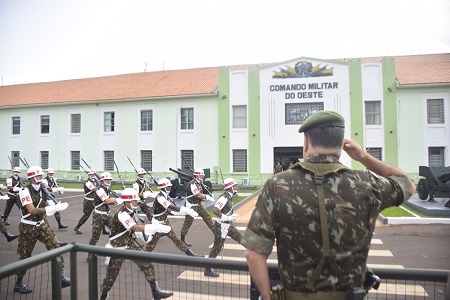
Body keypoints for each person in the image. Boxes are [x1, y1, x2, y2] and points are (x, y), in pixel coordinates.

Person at [242, 110, 416, 300]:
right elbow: (406, 183)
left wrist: (267, 298)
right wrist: (364, 157)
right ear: (341, 145)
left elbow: (253, 253)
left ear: (306, 141)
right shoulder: (366, 185)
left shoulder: (278, 185)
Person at [99, 188, 173, 300]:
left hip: (129, 245)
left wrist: (145, 236)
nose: (137, 202)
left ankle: (156, 292)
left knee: (147, 263)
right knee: (111, 277)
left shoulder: (131, 212)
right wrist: (156, 228)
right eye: (135, 201)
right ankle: (104, 296)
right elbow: (134, 227)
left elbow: (134, 229)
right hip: (117, 248)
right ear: (127, 202)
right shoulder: (122, 214)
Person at [14, 166, 71, 294]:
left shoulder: (42, 189)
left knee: (55, 246)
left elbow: (47, 199)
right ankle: (18, 283)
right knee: (25, 257)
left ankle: (61, 276)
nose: (41, 178)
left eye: (41, 176)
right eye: (38, 176)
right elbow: (32, 211)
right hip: (28, 227)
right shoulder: (24, 191)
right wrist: (51, 209)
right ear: (32, 177)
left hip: (41, 225)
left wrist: (54, 203)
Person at [144, 178, 201, 257]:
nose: (170, 188)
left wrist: (175, 213)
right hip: (158, 224)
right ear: (164, 188)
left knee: (176, 239)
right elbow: (172, 207)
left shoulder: (165, 196)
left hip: (165, 222)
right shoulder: (160, 198)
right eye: (169, 187)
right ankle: (142, 257)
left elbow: (166, 210)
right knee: (152, 244)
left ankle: (191, 255)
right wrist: (187, 210)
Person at [204, 178, 242, 277]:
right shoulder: (224, 197)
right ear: (230, 188)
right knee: (217, 247)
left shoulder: (229, 196)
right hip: (221, 226)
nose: (236, 187)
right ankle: (208, 269)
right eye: (234, 186)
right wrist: (227, 217)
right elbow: (215, 210)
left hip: (227, 225)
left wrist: (230, 218)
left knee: (242, 240)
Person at [180, 168, 215, 246]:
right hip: (191, 205)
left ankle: (216, 233)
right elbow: (198, 195)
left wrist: (208, 195)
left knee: (207, 217)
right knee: (188, 222)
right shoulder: (193, 184)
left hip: (198, 204)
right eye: (201, 175)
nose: (203, 176)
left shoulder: (199, 183)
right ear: (197, 175)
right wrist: (207, 197)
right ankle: (182, 239)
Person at [89, 172, 121, 247]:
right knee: (95, 237)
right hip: (99, 216)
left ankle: (116, 246)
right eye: (106, 180)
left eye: (109, 180)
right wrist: (118, 200)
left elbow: (109, 201)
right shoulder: (100, 190)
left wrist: (117, 201)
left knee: (116, 230)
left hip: (107, 214)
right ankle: (90, 253)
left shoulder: (107, 188)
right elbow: (107, 201)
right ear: (102, 180)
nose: (108, 181)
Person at [74, 169, 100, 234]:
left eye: (94, 174)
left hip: (96, 200)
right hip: (89, 201)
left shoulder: (96, 181)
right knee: (86, 215)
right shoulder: (87, 182)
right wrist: (102, 185)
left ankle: (104, 229)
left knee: (101, 214)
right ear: (88, 175)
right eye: (91, 174)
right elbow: (94, 189)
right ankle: (77, 227)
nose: (93, 175)